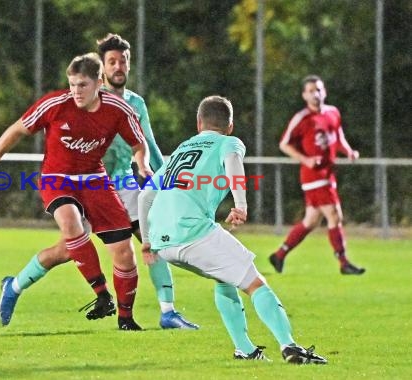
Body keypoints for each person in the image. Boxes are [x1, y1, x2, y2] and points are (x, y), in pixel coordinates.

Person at [0, 52, 153, 330]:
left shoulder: (118, 109)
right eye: (73, 84)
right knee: (70, 223)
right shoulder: (55, 104)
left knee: (114, 253)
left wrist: (142, 164)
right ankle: (102, 295)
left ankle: (125, 320)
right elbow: (16, 130)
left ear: (99, 83)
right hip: (57, 178)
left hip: (95, 180)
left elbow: (139, 144)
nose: (76, 91)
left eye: (83, 85)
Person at [138, 95, 328, 363]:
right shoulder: (229, 142)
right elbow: (233, 162)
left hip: (163, 242)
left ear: (198, 123)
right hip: (193, 233)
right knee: (255, 282)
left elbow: (145, 196)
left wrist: (147, 241)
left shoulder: (181, 149)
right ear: (230, 126)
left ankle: (245, 350)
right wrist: (241, 204)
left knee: (225, 279)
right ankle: (290, 346)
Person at [97, 33, 198, 330]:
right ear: (102, 67)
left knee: (153, 242)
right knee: (65, 250)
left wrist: (169, 179)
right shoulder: (91, 99)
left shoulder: (136, 103)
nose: (118, 67)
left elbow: (149, 145)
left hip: (126, 185)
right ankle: (16, 286)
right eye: (112, 61)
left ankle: (168, 312)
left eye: (123, 61)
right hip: (92, 187)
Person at [269, 75, 365, 275]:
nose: (316, 94)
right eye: (311, 91)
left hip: (327, 173)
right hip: (313, 174)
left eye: (319, 89)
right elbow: (284, 144)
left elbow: (337, 137)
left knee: (311, 221)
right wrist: (306, 159)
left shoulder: (332, 113)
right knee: (334, 215)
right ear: (304, 95)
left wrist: (348, 151)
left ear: (325, 92)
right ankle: (344, 262)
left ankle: (279, 254)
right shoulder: (302, 118)